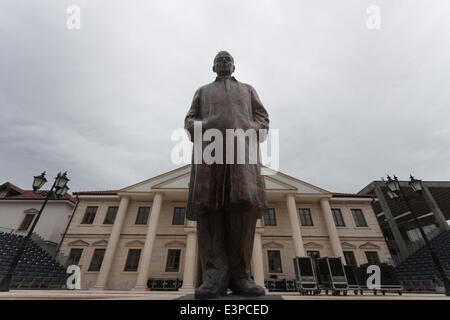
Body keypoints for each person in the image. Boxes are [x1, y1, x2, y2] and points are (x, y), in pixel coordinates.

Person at [184, 51, 269, 299]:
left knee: (243, 209)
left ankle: (241, 276)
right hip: (210, 155)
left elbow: (262, 117)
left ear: (234, 66)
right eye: (219, 60)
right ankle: (213, 276)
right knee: (210, 210)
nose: (223, 63)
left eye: (227, 60)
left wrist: (250, 128)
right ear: (213, 67)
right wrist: (203, 127)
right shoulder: (202, 91)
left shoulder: (248, 90)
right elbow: (190, 118)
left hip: (241, 154)